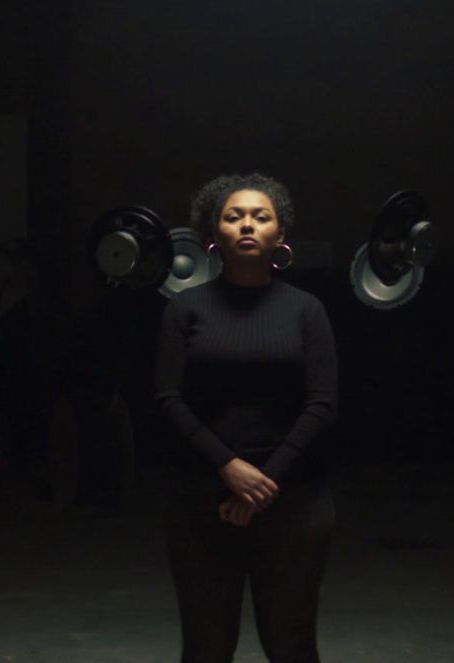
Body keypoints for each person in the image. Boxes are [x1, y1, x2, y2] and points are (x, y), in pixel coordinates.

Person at [155, 173, 339, 663]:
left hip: (295, 501)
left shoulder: (306, 310)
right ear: (214, 234)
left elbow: (322, 403)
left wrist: (265, 482)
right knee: (206, 647)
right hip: (202, 498)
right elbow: (168, 399)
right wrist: (229, 468)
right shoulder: (184, 309)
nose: (247, 225)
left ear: (280, 235)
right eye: (233, 216)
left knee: (292, 646)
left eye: (261, 216)